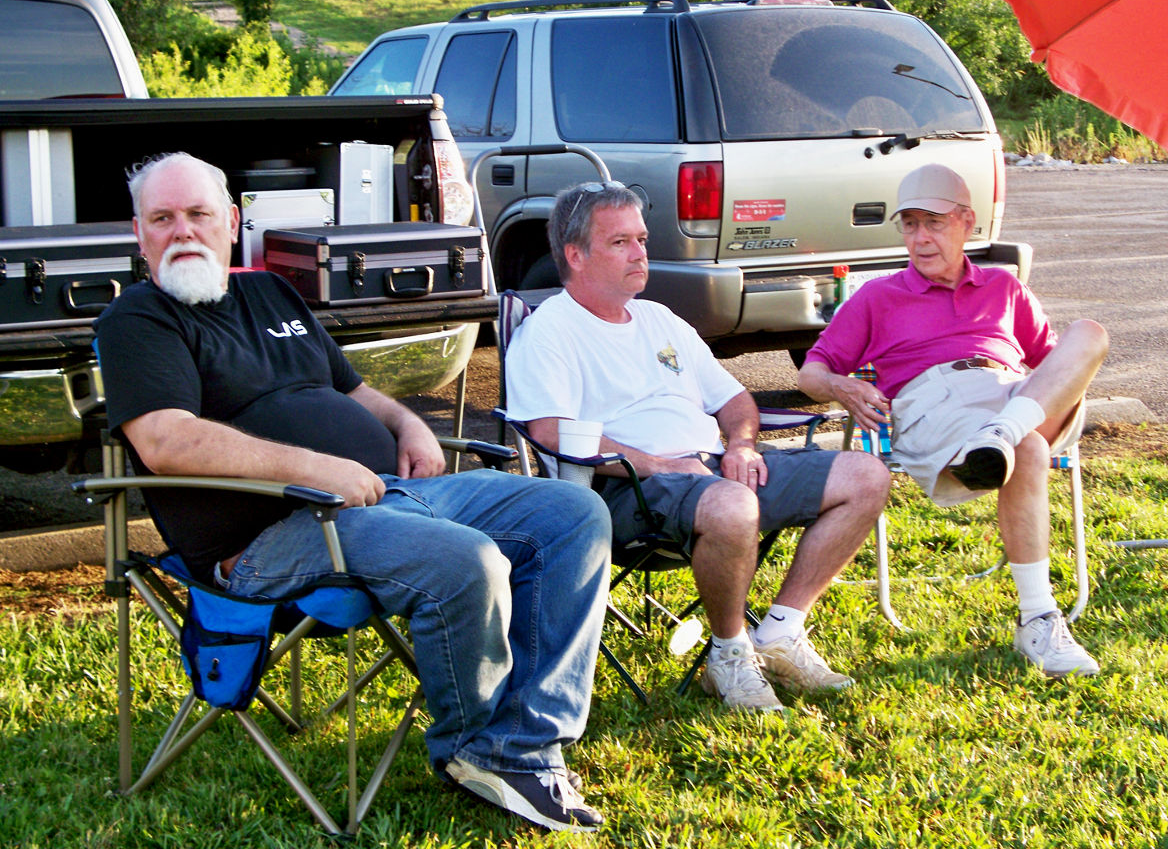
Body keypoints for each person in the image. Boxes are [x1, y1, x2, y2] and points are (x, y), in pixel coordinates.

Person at [93, 152, 613, 833]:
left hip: (387, 497)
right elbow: (167, 441)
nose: (183, 230)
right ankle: (479, 750)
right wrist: (316, 469)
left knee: (573, 513)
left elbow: (354, 391)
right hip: (275, 538)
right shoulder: (138, 320)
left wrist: (408, 425)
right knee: (467, 561)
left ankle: (522, 740)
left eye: (198, 214)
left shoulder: (269, 293)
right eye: (162, 218)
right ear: (139, 234)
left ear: (232, 221)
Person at [505, 181, 891, 712]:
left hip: (715, 472)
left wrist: (743, 445)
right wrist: (659, 464)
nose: (640, 253)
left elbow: (734, 400)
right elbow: (551, 431)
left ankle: (780, 632)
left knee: (866, 476)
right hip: (625, 490)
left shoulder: (660, 319)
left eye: (641, 239)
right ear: (575, 255)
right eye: (620, 242)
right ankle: (729, 656)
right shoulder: (550, 331)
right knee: (733, 506)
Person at [797, 162, 1109, 677]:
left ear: (967, 221)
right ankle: (1038, 619)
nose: (920, 238)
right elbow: (811, 372)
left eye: (934, 223)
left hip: (1013, 395)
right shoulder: (878, 296)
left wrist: (1027, 399)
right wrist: (841, 386)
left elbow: (1054, 362)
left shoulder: (1004, 287)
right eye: (910, 224)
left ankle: (1001, 433)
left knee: (1090, 333)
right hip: (937, 402)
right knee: (1028, 447)